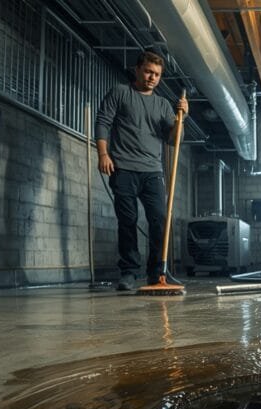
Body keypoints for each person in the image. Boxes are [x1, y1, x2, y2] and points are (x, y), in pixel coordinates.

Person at [95, 51, 188, 291]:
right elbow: (103, 122)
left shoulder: (162, 104)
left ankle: (156, 273)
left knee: (159, 220)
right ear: (137, 70)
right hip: (123, 168)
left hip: (152, 171)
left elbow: (174, 140)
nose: (152, 77)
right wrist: (103, 154)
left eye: (156, 74)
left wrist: (181, 119)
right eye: (148, 71)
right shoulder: (120, 92)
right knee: (128, 220)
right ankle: (128, 272)